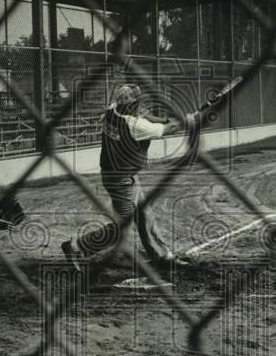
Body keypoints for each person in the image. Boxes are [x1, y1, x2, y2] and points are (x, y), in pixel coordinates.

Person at [61, 83, 193, 272]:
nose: (139, 106)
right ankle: (77, 246)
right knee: (122, 227)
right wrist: (186, 121)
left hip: (117, 173)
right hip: (121, 180)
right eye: (136, 102)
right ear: (130, 105)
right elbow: (168, 130)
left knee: (144, 214)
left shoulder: (112, 110)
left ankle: (162, 256)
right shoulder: (135, 126)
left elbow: (145, 116)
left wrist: (166, 119)